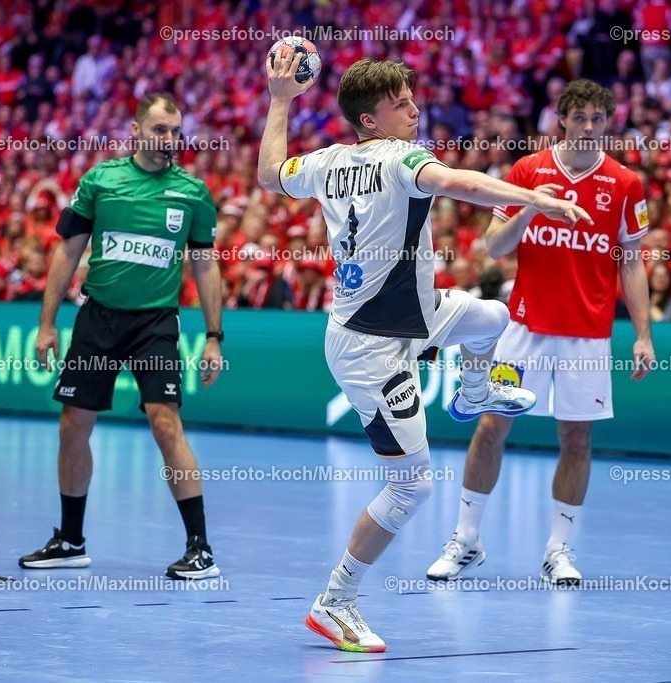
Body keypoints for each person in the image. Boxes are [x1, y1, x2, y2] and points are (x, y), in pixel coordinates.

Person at [257, 56, 589, 653]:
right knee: (411, 486)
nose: (415, 109)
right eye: (401, 103)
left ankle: (473, 391)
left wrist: (280, 100)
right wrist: (534, 199)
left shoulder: (326, 162)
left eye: (413, 98)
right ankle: (335, 601)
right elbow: (459, 183)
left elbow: (271, 174)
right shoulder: (401, 157)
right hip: (372, 346)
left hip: (415, 313)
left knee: (492, 317)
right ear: (371, 119)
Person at [426, 79, 655, 586]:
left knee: (576, 437)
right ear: (562, 120)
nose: (589, 128)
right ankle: (466, 540)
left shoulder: (624, 184)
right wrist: (531, 205)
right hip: (524, 326)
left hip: (588, 334)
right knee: (491, 425)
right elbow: (494, 248)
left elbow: (633, 262)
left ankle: (559, 549)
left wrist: (643, 334)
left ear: (608, 123)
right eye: (580, 118)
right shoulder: (529, 171)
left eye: (599, 119)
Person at [19, 93, 225, 580]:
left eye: (175, 131)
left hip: (155, 323)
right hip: (98, 319)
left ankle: (200, 548)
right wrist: (47, 324)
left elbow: (205, 264)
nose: (169, 140)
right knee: (73, 425)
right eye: (159, 129)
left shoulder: (193, 192)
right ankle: (71, 541)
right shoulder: (100, 182)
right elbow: (67, 253)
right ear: (135, 130)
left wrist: (214, 336)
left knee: (164, 423)